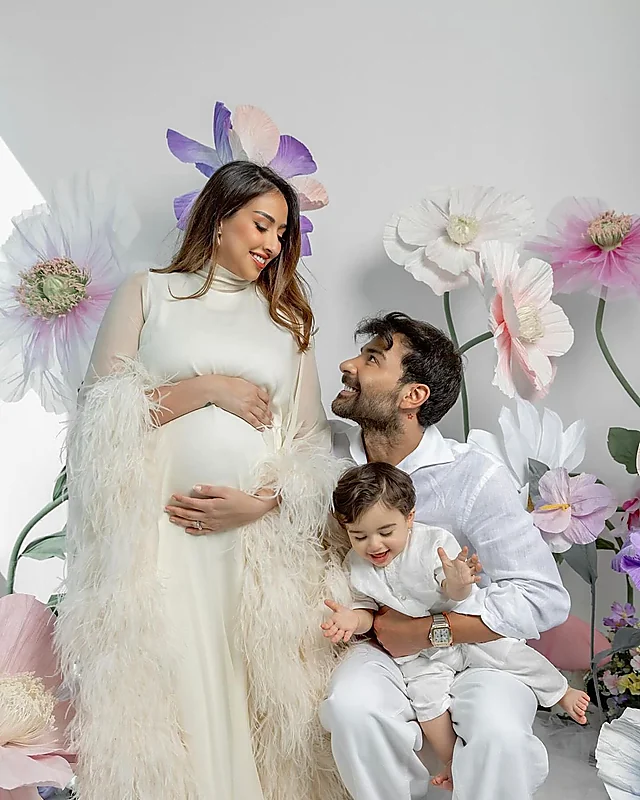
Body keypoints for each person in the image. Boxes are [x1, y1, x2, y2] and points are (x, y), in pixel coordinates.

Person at [55, 161, 349, 800]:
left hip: (250, 542)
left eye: (282, 234)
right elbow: (99, 416)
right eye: (261, 224)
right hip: (160, 532)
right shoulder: (150, 293)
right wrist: (207, 387)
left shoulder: (287, 322)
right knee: (171, 671)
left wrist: (258, 505)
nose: (271, 244)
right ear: (218, 219)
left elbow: (311, 449)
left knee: (245, 673)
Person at [320, 312, 573, 800]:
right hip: (379, 647)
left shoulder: (473, 476)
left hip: (480, 653)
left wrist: (428, 629)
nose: (347, 365)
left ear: (412, 396)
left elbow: (542, 597)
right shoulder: (323, 455)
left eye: (372, 359)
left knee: (500, 737)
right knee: (351, 707)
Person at [322, 462, 589, 792]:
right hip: (417, 656)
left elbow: (453, 592)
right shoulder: (357, 565)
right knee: (427, 703)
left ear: (409, 517)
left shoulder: (432, 544)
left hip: (463, 633)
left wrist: (459, 581)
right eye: (359, 536)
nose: (374, 545)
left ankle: (560, 691)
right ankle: (450, 760)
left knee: (511, 656)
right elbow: (368, 609)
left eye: (386, 532)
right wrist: (352, 619)